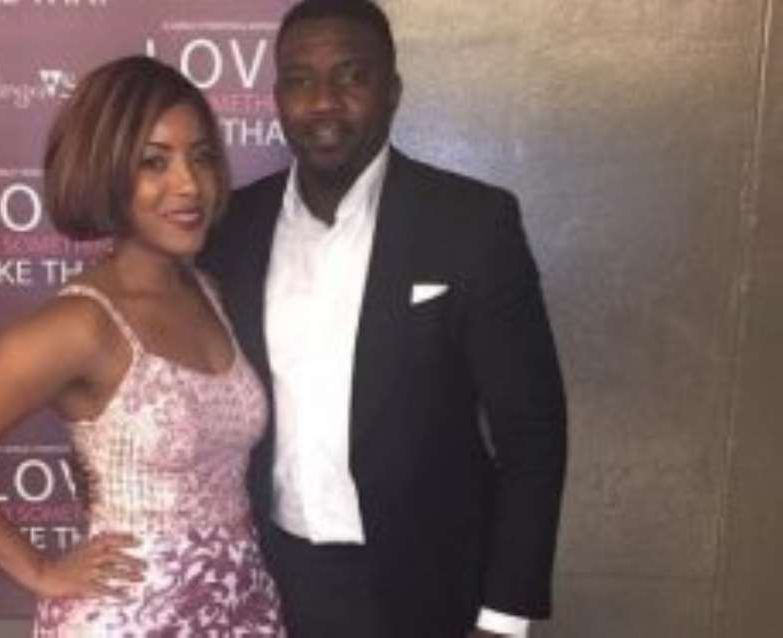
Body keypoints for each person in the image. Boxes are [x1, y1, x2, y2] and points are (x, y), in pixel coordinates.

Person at [201, 1, 567, 637]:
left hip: (426, 588)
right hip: (268, 585)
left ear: (392, 91)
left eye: (351, 76)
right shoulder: (231, 229)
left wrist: (505, 614)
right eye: (300, 80)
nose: (323, 102)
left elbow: (532, 431)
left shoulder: (471, 224)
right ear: (278, 97)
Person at [0, 56, 284, 636]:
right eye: (154, 162)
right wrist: (38, 570)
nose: (189, 184)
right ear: (106, 173)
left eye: (202, 157)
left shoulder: (210, 292)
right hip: (132, 615)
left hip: (240, 603)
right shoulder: (83, 324)